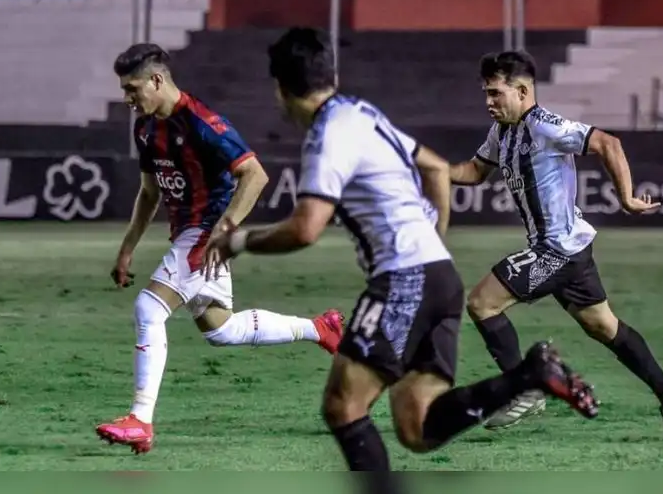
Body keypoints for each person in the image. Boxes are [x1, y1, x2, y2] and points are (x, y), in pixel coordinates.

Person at [208, 27, 599, 471]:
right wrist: (434, 240)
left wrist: (237, 239)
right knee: (417, 427)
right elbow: (434, 167)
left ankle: (531, 375)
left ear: (282, 88)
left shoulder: (326, 134)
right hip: (439, 278)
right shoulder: (359, 112)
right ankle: (530, 377)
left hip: (404, 282)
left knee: (343, 407)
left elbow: (305, 228)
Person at [95, 43, 345, 454]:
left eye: (133, 88)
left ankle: (140, 419)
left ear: (157, 81)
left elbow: (255, 174)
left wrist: (224, 231)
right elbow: (148, 194)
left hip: (205, 232)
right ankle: (319, 328)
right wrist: (127, 250)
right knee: (222, 329)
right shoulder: (146, 129)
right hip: (187, 235)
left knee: (148, 308)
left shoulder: (202, 121)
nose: (127, 99)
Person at [449, 49, 663, 438]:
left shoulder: (545, 126)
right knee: (603, 326)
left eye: (496, 93)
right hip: (569, 251)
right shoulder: (501, 132)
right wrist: (429, 170)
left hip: (556, 249)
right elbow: (474, 172)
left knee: (482, 302)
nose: (489, 102)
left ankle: (525, 390)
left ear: (523, 91)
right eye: (486, 94)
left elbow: (608, 143)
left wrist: (626, 198)